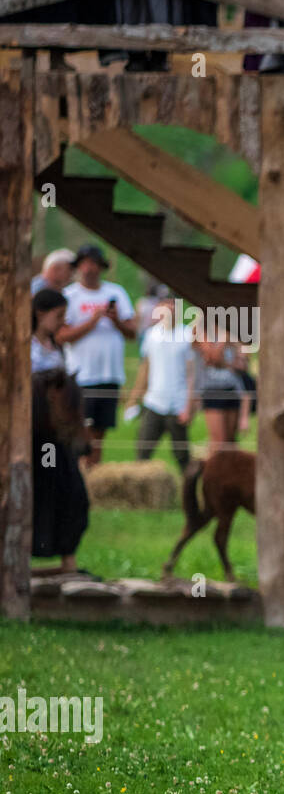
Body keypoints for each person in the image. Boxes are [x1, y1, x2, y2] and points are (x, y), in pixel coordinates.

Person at [60, 243, 137, 468]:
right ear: (78, 267)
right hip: (81, 375)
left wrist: (114, 320)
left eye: (94, 264)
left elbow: (132, 332)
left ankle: (93, 475)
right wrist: (92, 321)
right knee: (79, 430)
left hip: (109, 374)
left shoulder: (116, 293)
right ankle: (77, 472)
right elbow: (62, 335)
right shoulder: (69, 296)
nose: (89, 269)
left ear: (101, 267)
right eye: (85, 263)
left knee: (99, 432)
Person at [30, 289, 90, 574]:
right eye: (58, 316)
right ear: (41, 314)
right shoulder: (25, 345)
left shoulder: (57, 347)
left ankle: (68, 558)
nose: (62, 323)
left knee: (72, 490)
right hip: (35, 437)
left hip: (57, 436)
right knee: (43, 487)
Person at [125, 298, 195, 470]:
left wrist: (189, 406)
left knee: (182, 456)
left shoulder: (186, 336)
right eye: (165, 306)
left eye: (172, 306)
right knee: (142, 451)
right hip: (153, 402)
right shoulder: (151, 335)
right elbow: (145, 369)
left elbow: (192, 374)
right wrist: (134, 398)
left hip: (177, 405)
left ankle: (188, 492)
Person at [187, 335, 250, 446]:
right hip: (212, 391)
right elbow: (214, 357)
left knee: (230, 441)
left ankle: (230, 463)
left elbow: (242, 365)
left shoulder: (233, 335)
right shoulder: (203, 335)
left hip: (232, 390)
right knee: (218, 441)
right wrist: (223, 342)